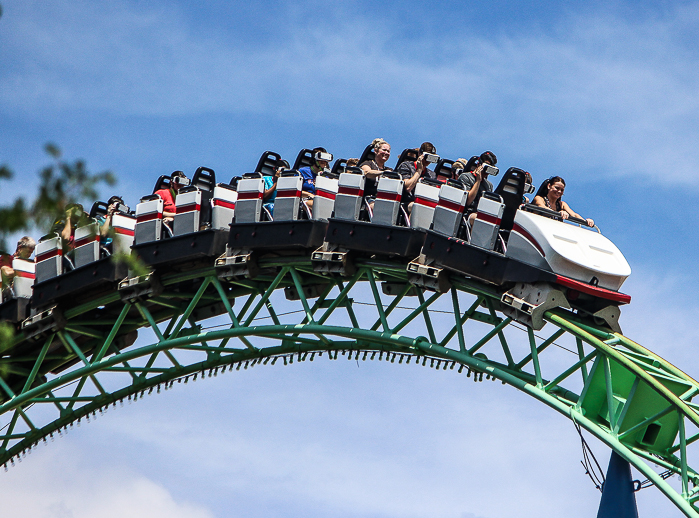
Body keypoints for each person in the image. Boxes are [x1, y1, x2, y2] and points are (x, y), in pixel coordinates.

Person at [396, 142, 438, 213]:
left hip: (424, 203)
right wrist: (419, 171)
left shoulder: (432, 174)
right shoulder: (406, 166)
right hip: (407, 202)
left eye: (431, 158)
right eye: (427, 156)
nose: (428, 160)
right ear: (420, 154)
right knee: (416, 207)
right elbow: (408, 188)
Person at [297, 147, 332, 214]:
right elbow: (294, 191)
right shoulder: (303, 171)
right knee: (318, 205)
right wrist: (309, 195)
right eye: (322, 161)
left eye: (325, 162)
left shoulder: (326, 176)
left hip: (322, 200)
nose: (324, 163)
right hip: (304, 200)